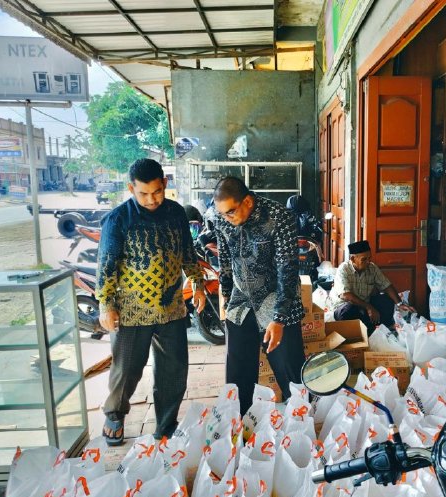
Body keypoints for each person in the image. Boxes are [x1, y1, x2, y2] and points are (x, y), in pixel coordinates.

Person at [96, 158, 205, 446]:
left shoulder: (176, 214)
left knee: (174, 370)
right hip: (132, 310)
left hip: (171, 306)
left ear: (164, 185)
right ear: (131, 188)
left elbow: (188, 253)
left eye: (156, 192)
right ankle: (115, 415)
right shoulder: (119, 219)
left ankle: (166, 425)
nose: (151, 199)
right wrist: (106, 304)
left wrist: (198, 284)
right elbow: (107, 264)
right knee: (127, 369)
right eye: (143, 193)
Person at [212, 177, 306, 415]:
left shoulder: (279, 217)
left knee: (292, 374)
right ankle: (239, 427)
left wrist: (279, 318)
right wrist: (225, 299)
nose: (227, 219)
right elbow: (225, 264)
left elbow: (288, 269)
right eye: (222, 214)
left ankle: (302, 424)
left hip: (277, 301)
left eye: (231, 212)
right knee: (237, 376)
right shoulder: (221, 220)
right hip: (241, 301)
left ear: (248, 201)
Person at [329, 240, 414, 334]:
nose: (368, 261)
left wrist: (399, 304)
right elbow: (346, 295)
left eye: (369, 258)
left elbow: (386, 285)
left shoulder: (372, 267)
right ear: (353, 259)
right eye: (364, 259)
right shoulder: (343, 269)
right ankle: (369, 327)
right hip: (344, 307)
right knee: (348, 310)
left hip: (364, 305)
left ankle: (375, 326)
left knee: (386, 300)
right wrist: (369, 307)